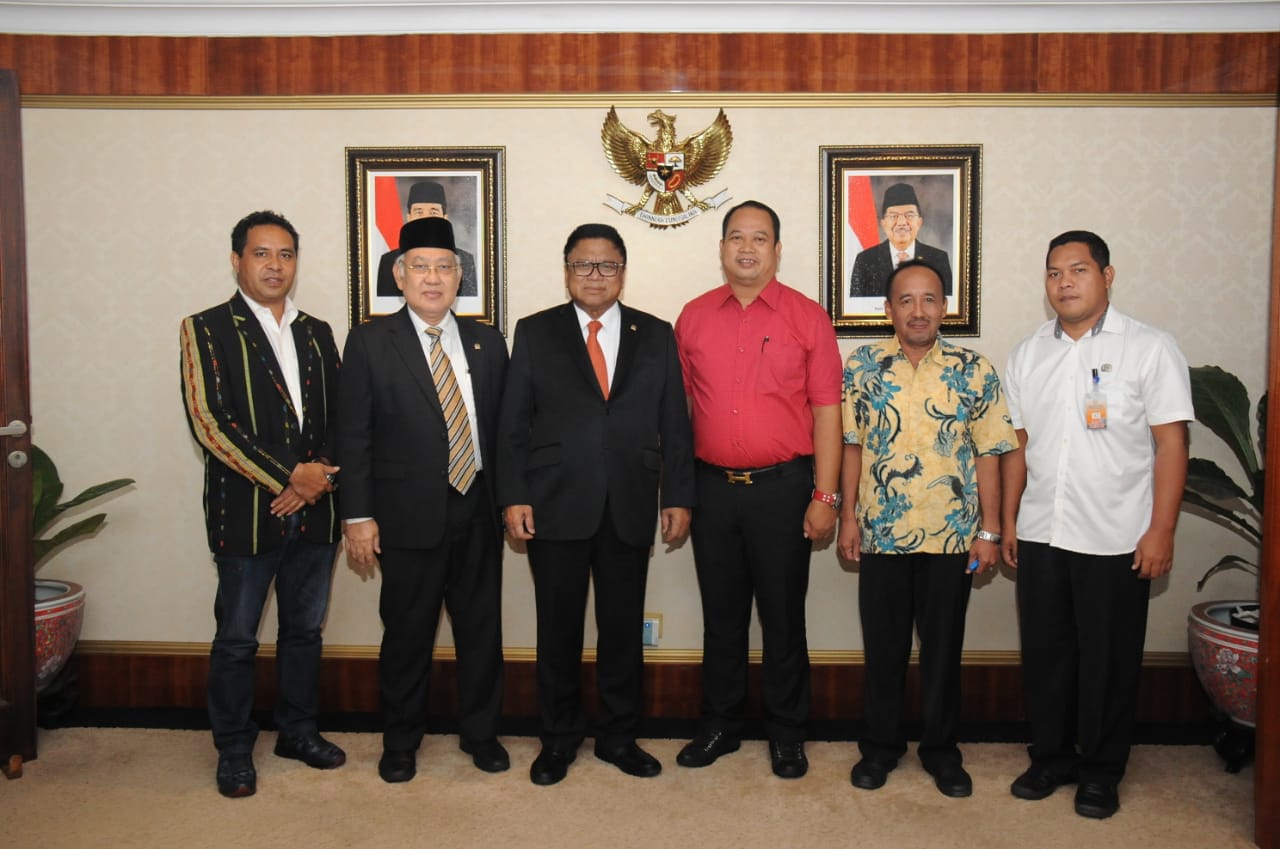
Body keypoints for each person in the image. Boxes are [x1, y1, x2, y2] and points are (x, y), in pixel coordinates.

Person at [1000, 230, 1191, 819]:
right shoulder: (1028, 353)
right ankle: (1051, 757)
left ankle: (1102, 772)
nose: (1065, 283)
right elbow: (1018, 445)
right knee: (1046, 655)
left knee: (1109, 661)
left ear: (1107, 276)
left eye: (1078, 270)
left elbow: (1172, 444)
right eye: (1054, 273)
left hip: (1117, 536)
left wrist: (1162, 530)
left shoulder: (1149, 348)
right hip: (1042, 531)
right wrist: (1008, 519)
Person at [496, 223, 696, 786]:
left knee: (622, 629)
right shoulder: (535, 332)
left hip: (630, 500)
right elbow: (512, 424)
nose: (595, 275)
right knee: (557, 629)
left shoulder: (654, 333)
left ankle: (618, 737)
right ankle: (558, 739)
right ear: (567, 272)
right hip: (553, 502)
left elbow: (675, 422)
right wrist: (513, 495)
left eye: (607, 265)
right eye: (583, 265)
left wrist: (679, 496)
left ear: (622, 272)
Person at [673, 200, 843, 779]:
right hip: (713, 490)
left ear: (777, 249)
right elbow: (680, 411)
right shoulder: (693, 317)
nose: (747, 248)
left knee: (783, 616)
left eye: (760, 238)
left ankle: (787, 733)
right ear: (722, 248)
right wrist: (679, 491)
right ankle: (720, 725)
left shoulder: (808, 317)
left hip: (784, 489)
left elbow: (827, 413)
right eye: (736, 237)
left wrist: (826, 496)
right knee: (721, 618)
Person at [179, 209, 345, 799]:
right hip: (248, 513)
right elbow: (210, 422)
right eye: (261, 253)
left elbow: (342, 415)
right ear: (237, 260)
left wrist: (316, 478)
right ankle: (233, 748)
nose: (275, 265)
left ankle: (297, 732)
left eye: (286, 255)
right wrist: (290, 476)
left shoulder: (318, 331)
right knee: (237, 639)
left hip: (318, 511)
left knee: (304, 632)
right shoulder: (206, 328)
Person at [337, 216, 509, 784]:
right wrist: (358, 515)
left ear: (459, 276)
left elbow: (507, 433)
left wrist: (511, 500)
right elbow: (353, 435)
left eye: (443, 267)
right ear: (398, 274)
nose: (432, 278)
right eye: (420, 267)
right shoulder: (369, 341)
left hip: (477, 507)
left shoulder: (488, 342)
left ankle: (481, 734)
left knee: (481, 630)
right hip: (405, 514)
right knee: (407, 633)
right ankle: (401, 741)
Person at [837, 259, 1016, 798]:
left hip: (951, 537)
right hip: (882, 533)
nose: (918, 310)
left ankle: (941, 751)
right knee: (884, 650)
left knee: (943, 652)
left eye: (930, 299)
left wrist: (989, 530)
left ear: (945, 307)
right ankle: (880, 747)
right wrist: (848, 516)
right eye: (906, 300)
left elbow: (990, 452)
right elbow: (852, 445)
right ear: (889, 309)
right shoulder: (862, 366)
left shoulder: (973, 369)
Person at [375, 180, 478, 299]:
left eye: (433, 212)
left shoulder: (465, 260)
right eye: (419, 212)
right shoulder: (389, 261)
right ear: (409, 218)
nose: (426, 218)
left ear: (445, 218)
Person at [849, 182, 953, 298]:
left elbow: (947, 303)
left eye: (909, 215)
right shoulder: (865, 260)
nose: (902, 223)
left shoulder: (938, 259)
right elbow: (856, 304)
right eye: (893, 216)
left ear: (919, 222)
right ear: (883, 223)